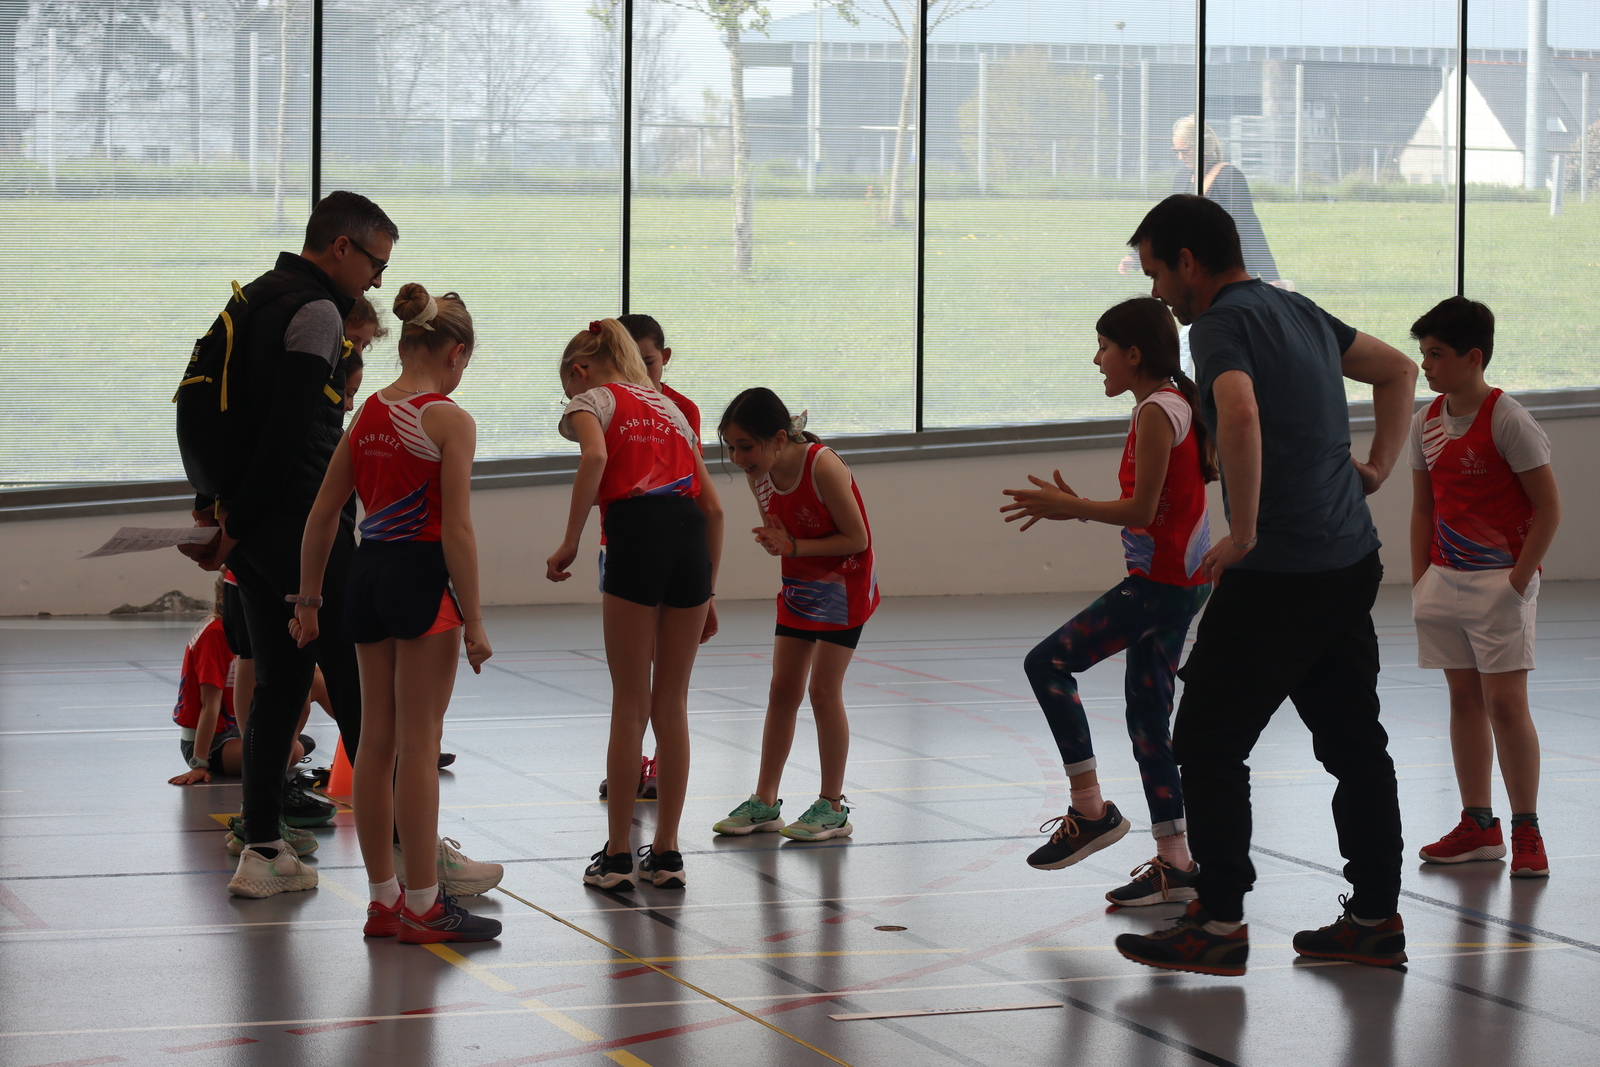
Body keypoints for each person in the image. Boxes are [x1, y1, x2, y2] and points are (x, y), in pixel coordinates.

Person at [1112, 194, 1417, 977]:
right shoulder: (1298, 309)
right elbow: (1399, 370)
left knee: (1206, 742)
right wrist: (1377, 466)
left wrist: (1243, 532)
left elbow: (1239, 413)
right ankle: (1376, 919)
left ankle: (1217, 922)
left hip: (1281, 571)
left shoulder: (1218, 325)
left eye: (1156, 274)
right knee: (1355, 743)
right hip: (1348, 559)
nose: (1157, 294)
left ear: (1188, 262)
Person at [179, 190, 396, 899]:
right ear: (341, 247)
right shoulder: (318, 311)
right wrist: (238, 523)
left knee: (280, 684)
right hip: (299, 527)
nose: (377, 281)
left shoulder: (253, 298)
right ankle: (408, 851)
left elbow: (215, 415)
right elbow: (287, 434)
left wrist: (218, 514)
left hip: (251, 530)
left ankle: (264, 848)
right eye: (375, 263)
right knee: (360, 685)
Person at [293, 282, 500, 943]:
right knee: (419, 745)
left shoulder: (368, 415)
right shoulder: (449, 420)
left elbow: (323, 513)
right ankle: (425, 904)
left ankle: (383, 901)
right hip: (419, 581)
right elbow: (457, 530)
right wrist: (474, 619)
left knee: (374, 744)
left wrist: (308, 599)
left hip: (366, 579)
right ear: (455, 353)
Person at [1000, 297, 1215, 906]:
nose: (1097, 360)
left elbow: (1142, 510)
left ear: (1134, 353)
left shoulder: (1156, 410)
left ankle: (1090, 810)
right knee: (1148, 722)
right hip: (1179, 585)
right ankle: (1177, 862)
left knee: (1047, 663)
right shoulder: (1169, 405)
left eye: (1103, 347)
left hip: (1161, 587)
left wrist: (1072, 507)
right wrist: (1079, 506)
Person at [547, 319, 723, 890]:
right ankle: (667, 853)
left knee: (630, 702)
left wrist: (571, 540)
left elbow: (594, 459)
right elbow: (715, 509)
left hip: (637, 531)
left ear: (580, 370)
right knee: (672, 703)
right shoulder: (670, 410)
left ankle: (619, 854)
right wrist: (708, 590)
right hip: (690, 539)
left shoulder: (594, 400)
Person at [1408, 297, 1560, 878]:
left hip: (1500, 583)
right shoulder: (1425, 422)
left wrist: (1517, 583)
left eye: (1436, 354)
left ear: (1473, 358)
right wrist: (1422, 579)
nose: (1426, 365)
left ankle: (1526, 829)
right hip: (1443, 581)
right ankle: (1479, 825)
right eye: (1423, 354)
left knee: (1506, 704)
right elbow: (1423, 508)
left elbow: (1548, 509)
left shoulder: (1508, 419)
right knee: (1464, 700)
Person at [712, 389, 879, 843]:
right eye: (731, 447)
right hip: (800, 583)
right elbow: (782, 535)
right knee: (782, 688)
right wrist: (778, 543)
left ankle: (832, 807)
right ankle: (765, 802)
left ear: (779, 438)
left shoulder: (822, 466)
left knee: (823, 690)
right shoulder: (760, 475)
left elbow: (858, 539)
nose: (737, 458)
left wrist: (793, 546)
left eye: (746, 446)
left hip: (845, 583)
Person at [596, 312, 705, 803]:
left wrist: (708, 586)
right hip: (621, 544)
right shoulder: (608, 401)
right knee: (630, 677)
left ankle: (660, 762)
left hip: (676, 545)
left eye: (649, 361)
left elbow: (699, 493)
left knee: (668, 677)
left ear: (666, 358)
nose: (641, 371)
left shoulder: (681, 410)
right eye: (630, 361)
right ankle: (631, 762)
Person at [1170, 116, 1280, 283]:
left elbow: (1248, 227)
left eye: (1185, 151)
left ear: (1205, 145)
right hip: (1192, 271)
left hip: (1224, 271)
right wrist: (1134, 258)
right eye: (1176, 151)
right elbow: (1169, 225)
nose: (1180, 157)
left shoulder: (1229, 177)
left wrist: (1272, 278)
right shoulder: (1181, 177)